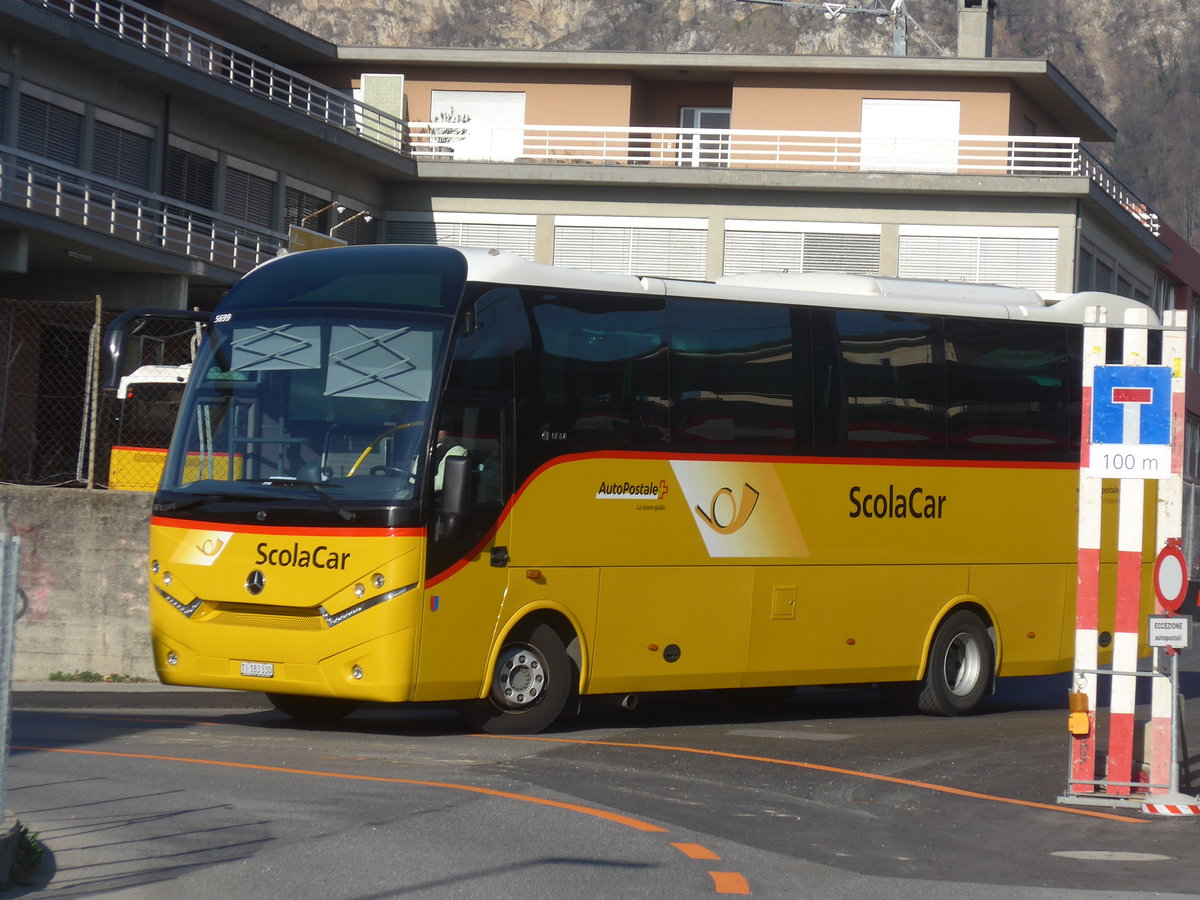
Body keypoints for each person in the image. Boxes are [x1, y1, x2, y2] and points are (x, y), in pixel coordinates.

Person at [433, 427, 468, 491]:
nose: (436, 431)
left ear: (449, 430)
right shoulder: (426, 444)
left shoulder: (457, 450)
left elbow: (440, 483)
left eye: (441, 427)